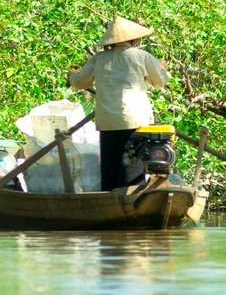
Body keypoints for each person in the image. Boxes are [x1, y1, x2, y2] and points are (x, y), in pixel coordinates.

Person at [68, 17, 170, 191]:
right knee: (131, 168)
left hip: (108, 121)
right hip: (135, 121)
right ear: (133, 39)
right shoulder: (141, 56)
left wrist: (72, 74)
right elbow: (160, 80)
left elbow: (79, 82)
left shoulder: (99, 59)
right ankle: (131, 202)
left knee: (110, 168)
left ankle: (108, 200)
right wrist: (162, 67)